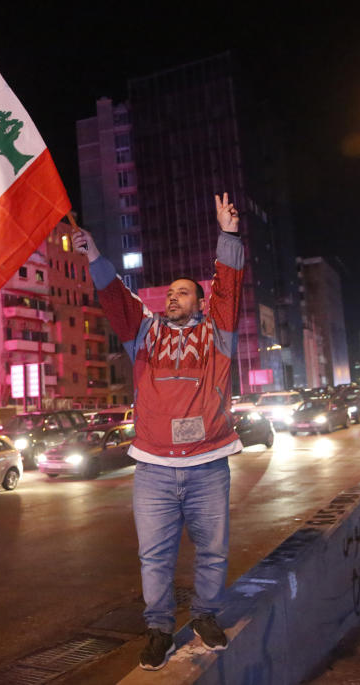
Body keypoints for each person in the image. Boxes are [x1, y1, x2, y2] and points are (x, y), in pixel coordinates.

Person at [73, 192, 243, 671]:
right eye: (168, 293)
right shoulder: (143, 335)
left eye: (183, 292)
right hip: (153, 468)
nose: (172, 297)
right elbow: (114, 297)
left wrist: (227, 237)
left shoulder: (219, 335)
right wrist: (93, 255)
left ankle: (206, 616)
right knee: (155, 557)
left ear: (201, 302)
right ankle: (159, 630)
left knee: (212, 550)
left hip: (208, 462)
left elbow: (229, 287)